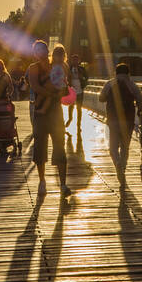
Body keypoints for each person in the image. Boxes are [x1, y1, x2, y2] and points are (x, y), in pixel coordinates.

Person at [26, 39, 70, 200]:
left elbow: (65, 84)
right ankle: (42, 181)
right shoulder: (33, 68)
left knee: (60, 145)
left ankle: (63, 184)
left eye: (43, 49)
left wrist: (61, 90)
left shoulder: (58, 66)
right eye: (37, 50)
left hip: (55, 111)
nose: (41, 52)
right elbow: (35, 86)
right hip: (40, 113)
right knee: (40, 146)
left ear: (47, 50)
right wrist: (52, 94)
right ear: (35, 53)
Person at [99, 62, 142, 189]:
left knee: (113, 147)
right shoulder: (132, 84)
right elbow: (141, 100)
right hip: (128, 121)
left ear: (116, 72)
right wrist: (140, 109)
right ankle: (123, 167)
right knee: (125, 147)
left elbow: (101, 98)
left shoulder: (110, 83)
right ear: (128, 73)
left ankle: (117, 163)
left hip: (113, 120)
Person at [66, 52, 88, 137]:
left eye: (76, 60)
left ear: (79, 61)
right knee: (71, 107)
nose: (75, 61)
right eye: (73, 60)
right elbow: (65, 77)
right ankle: (70, 119)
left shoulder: (82, 69)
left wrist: (81, 77)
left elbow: (86, 78)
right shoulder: (68, 68)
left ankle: (79, 125)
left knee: (79, 109)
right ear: (71, 61)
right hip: (71, 91)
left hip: (80, 91)